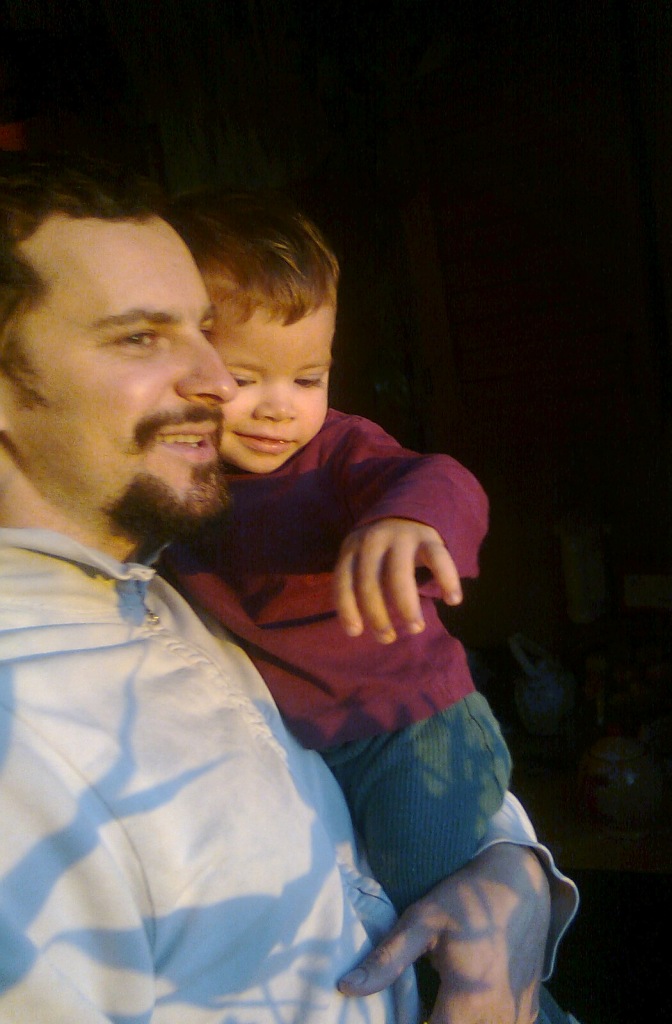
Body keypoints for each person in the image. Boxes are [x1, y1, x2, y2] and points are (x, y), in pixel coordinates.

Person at [0, 152, 578, 1024]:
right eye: (140, 337)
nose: (214, 382)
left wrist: (514, 868)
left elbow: (415, 803)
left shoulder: (163, 579)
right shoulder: (27, 744)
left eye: (204, 332)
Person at [163, 189, 512, 923]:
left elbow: (440, 477)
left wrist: (405, 519)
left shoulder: (336, 453)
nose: (279, 406)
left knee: (430, 915)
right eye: (244, 378)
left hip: (412, 731)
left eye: (308, 378)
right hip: (307, 743)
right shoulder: (176, 484)